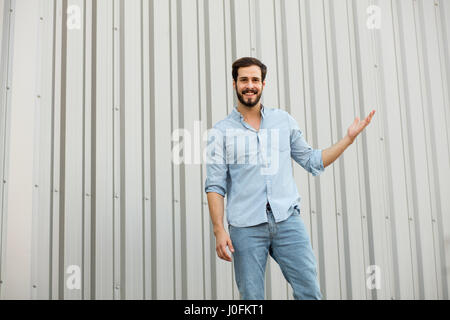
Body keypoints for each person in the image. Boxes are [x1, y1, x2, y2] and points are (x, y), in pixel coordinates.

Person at [204, 57, 375, 300]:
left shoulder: (283, 120)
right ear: (235, 84)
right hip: (245, 227)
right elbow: (215, 186)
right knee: (251, 299)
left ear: (263, 84)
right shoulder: (220, 132)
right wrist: (219, 229)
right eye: (244, 80)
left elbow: (312, 160)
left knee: (309, 292)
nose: (249, 85)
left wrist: (348, 139)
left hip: (287, 221)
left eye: (255, 80)